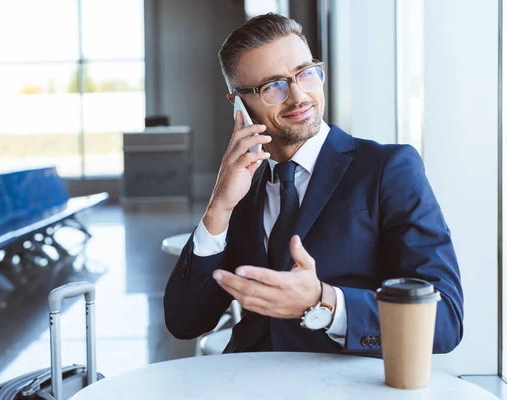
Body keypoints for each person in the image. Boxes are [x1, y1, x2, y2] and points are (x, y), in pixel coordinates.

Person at [164, 13, 463, 354]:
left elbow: (444, 320)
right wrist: (219, 206)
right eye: (272, 86)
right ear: (239, 104)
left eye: (305, 73)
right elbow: (185, 322)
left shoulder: (389, 169)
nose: (298, 96)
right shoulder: (242, 188)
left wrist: (325, 303)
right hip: (245, 384)